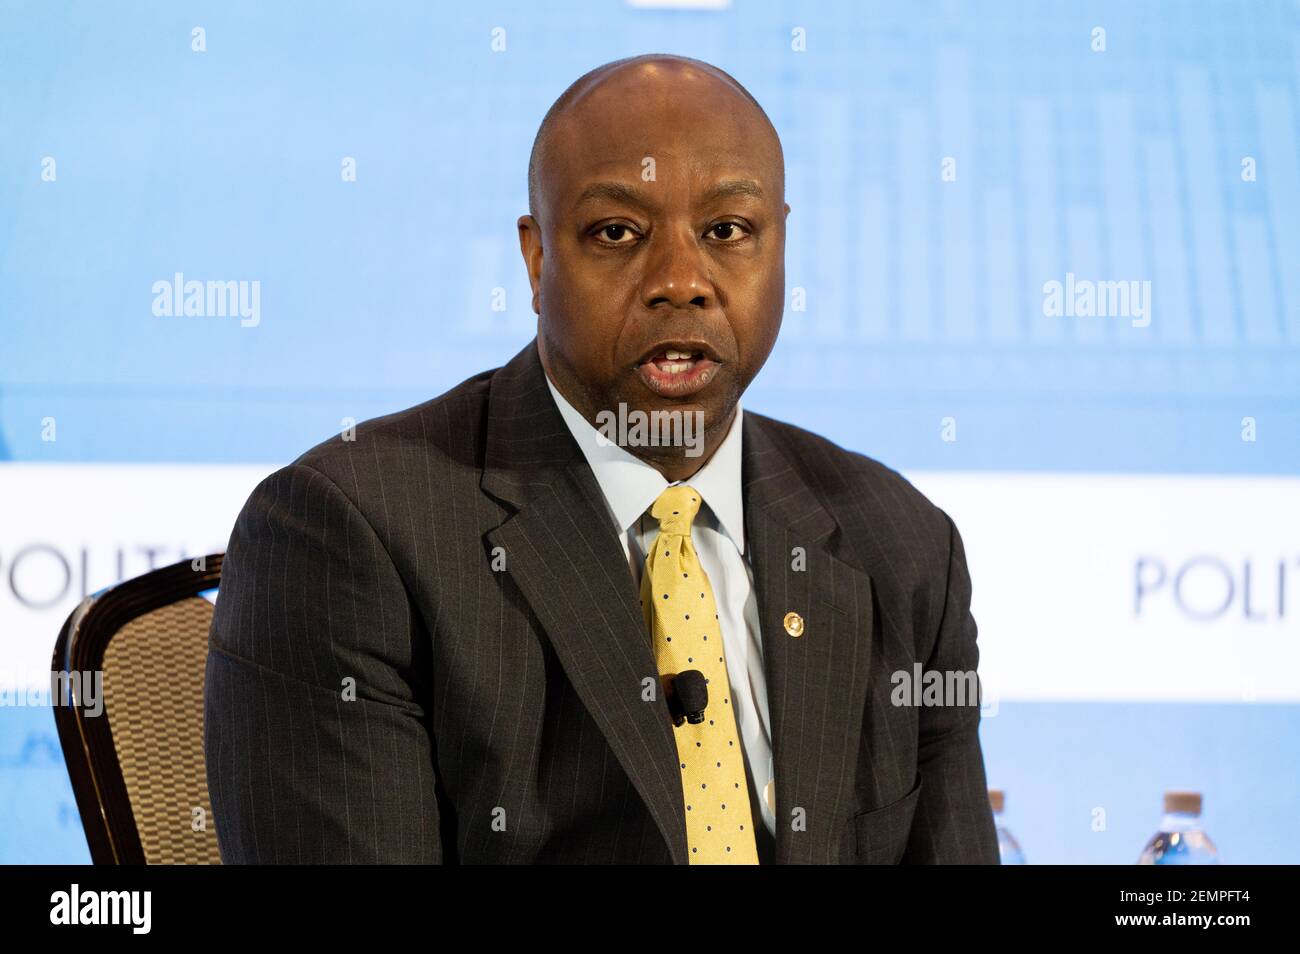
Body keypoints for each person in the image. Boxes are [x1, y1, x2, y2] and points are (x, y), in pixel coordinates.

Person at [203, 53, 999, 864]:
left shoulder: (898, 544)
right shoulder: (348, 534)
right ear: (538, 259)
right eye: (618, 233)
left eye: (727, 232)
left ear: (780, 244)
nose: (682, 281)